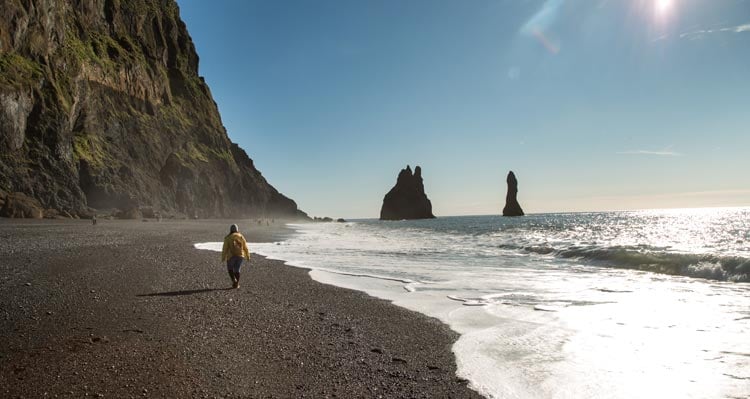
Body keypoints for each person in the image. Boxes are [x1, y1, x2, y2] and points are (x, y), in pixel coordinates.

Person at [221, 224, 250, 289]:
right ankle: (236, 284)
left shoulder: (228, 237)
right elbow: (245, 247)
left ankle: (234, 280)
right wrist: (248, 256)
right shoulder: (241, 236)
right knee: (237, 269)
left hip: (231, 255)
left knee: (230, 268)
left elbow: (225, 248)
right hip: (240, 255)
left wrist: (223, 257)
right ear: (237, 229)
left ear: (230, 230)